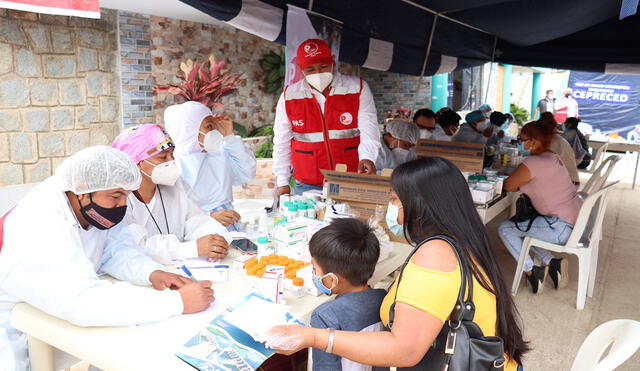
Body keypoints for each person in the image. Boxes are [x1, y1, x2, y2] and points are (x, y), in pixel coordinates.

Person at [267, 157, 527, 370]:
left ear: (420, 205)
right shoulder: (466, 239)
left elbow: (405, 350)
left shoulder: (436, 254)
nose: (392, 208)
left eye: (394, 200)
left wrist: (314, 337)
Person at [0, 146, 214, 371]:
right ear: (82, 191)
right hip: (10, 320)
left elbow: (116, 250)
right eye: (116, 196)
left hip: (48, 308)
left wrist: (151, 272)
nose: (122, 205)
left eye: (126, 196)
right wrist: (178, 302)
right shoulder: (40, 222)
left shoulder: (91, 204)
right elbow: (81, 302)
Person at [273, 38, 380, 196]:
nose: (318, 73)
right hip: (308, 183)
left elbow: (369, 127)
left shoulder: (357, 88)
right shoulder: (289, 96)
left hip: (350, 177)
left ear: (333, 62)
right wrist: (282, 182)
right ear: (301, 69)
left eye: (323, 66)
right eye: (310, 69)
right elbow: (281, 141)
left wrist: (368, 156)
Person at [112, 124, 232, 264]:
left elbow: (196, 220)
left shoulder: (176, 185)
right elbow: (136, 245)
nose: (171, 161)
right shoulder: (118, 198)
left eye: (172, 154)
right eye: (163, 157)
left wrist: (215, 239)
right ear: (136, 163)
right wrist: (191, 249)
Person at [499, 122, 583, 294]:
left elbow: (508, 185)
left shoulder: (533, 162)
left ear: (534, 141)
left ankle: (532, 272)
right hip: (572, 222)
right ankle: (553, 263)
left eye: (522, 140)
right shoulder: (552, 157)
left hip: (559, 227)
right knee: (523, 228)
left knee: (506, 228)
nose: (521, 144)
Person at [308, 218, 388, 371]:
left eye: (315, 269)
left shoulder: (325, 316)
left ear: (332, 280)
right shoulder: (382, 297)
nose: (314, 274)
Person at [164, 101, 256, 228]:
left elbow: (246, 174)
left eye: (214, 125)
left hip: (230, 225)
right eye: (209, 126)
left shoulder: (219, 151)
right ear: (189, 130)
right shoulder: (173, 165)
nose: (214, 131)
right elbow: (173, 216)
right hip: (198, 233)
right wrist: (208, 217)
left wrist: (229, 137)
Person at [539, 112, 580, 184]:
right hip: (570, 179)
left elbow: (545, 166)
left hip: (568, 183)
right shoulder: (557, 139)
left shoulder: (554, 142)